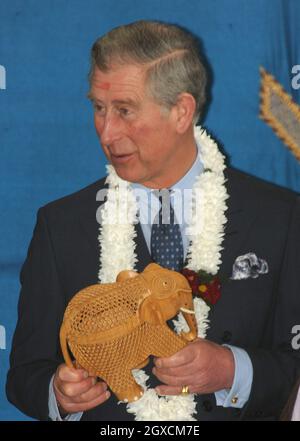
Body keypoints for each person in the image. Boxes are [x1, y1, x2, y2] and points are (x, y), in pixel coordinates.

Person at [6, 20, 300, 421]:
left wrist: (233, 370)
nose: (107, 132)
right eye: (98, 108)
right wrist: (58, 394)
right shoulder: (60, 226)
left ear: (181, 111)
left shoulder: (280, 219)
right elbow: (25, 374)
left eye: (124, 111)